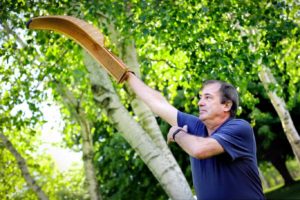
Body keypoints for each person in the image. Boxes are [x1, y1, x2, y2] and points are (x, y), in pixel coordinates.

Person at [126, 73, 265, 200]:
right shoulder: (197, 127)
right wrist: (127, 75)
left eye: (208, 97)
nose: (200, 103)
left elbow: (199, 149)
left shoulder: (240, 128)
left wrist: (177, 133)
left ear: (227, 105)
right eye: (200, 97)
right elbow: (158, 103)